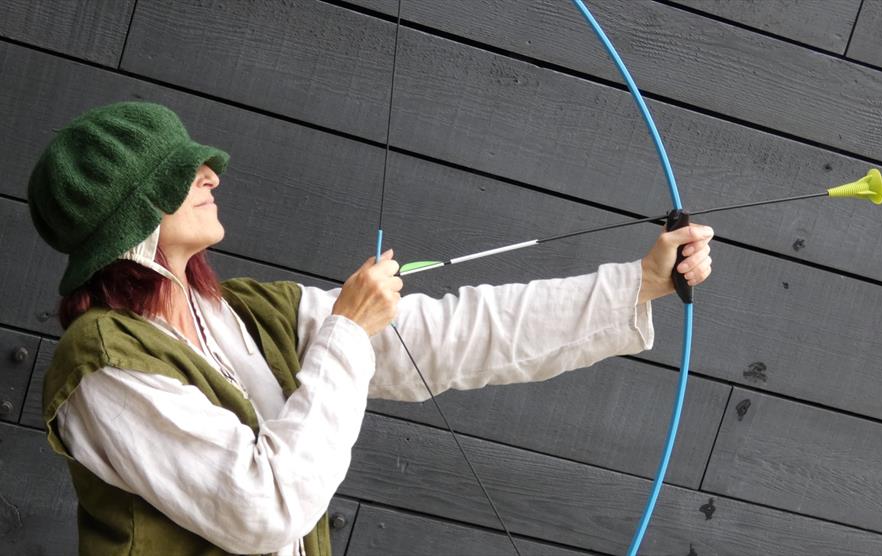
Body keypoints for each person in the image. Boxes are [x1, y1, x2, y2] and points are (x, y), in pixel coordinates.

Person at [28, 102, 713, 555]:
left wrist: (640, 283)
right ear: (134, 213)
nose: (211, 174)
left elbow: (447, 337)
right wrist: (347, 331)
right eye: (183, 173)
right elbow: (262, 508)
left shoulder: (241, 313)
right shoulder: (101, 361)